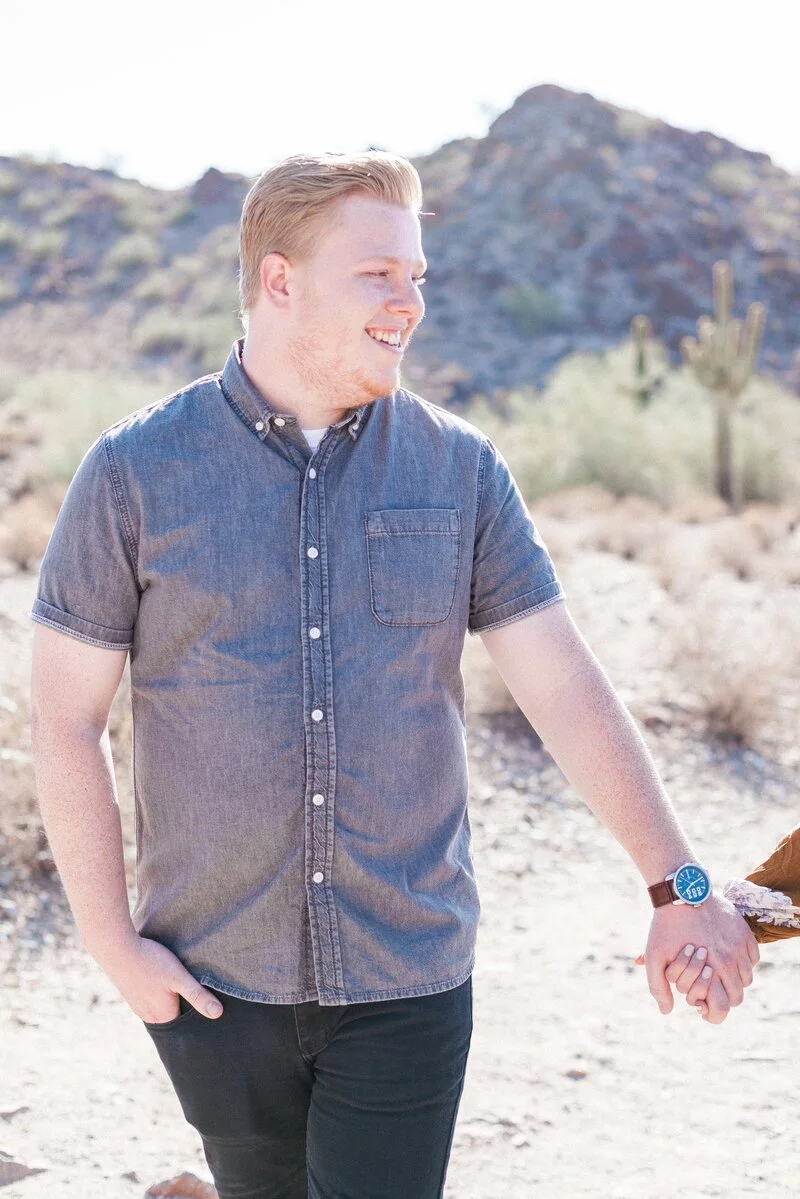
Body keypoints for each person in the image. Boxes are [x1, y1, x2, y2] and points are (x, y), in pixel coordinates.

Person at [30, 151, 759, 1199]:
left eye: (417, 276)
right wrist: (112, 945)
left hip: (406, 978)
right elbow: (65, 718)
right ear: (279, 281)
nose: (408, 302)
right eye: (378, 274)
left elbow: (562, 686)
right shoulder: (137, 471)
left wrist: (680, 885)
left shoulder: (459, 470)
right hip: (211, 980)